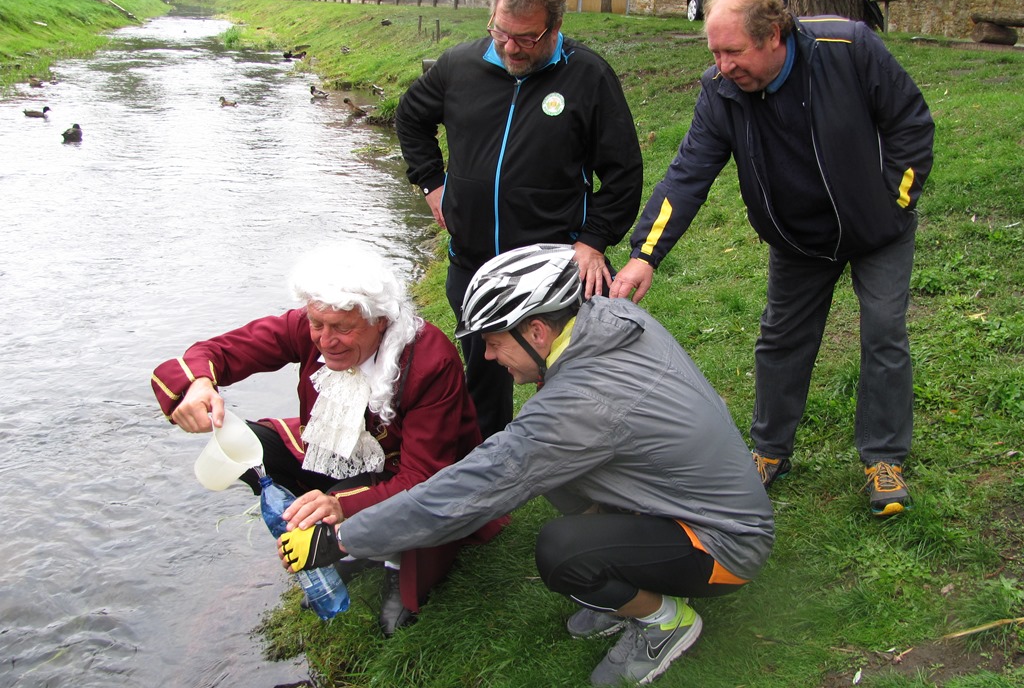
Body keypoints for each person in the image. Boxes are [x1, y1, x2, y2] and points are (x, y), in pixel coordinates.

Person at [276, 244, 774, 687]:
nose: (489, 357)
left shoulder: (579, 405)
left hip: (725, 545)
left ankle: (665, 621)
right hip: (690, 498)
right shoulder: (607, 319)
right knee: (557, 480)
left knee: (561, 552)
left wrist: (343, 538)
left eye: (494, 341)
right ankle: (625, 578)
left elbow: (469, 491)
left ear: (537, 329)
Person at [609, 0, 935, 517]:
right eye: (714, 52)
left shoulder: (849, 49)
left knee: (883, 331)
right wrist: (645, 253)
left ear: (774, 35)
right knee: (781, 340)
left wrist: (893, 204)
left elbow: (910, 122)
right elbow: (689, 172)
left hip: (877, 229)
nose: (721, 65)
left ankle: (884, 457)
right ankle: (770, 451)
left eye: (732, 52)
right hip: (798, 238)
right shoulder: (722, 92)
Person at [151, 242, 504, 635]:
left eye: (343, 328)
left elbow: (421, 476)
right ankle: (334, 543)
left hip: (412, 475)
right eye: (317, 324)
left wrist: (336, 505)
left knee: (393, 544)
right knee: (253, 452)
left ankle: (389, 561)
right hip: (347, 457)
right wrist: (199, 384)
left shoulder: (430, 359)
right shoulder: (310, 326)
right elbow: (218, 351)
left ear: (381, 320)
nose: (324, 339)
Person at [395, 0, 643, 439]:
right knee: (485, 378)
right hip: (473, 265)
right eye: (501, 32)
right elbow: (411, 118)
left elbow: (624, 172)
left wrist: (594, 240)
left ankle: (580, 478)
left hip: (552, 273)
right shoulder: (460, 66)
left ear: (555, 26)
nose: (510, 47)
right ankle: (488, 488)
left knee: (569, 384)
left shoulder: (587, 76)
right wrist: (432, 185)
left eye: (526, 38)